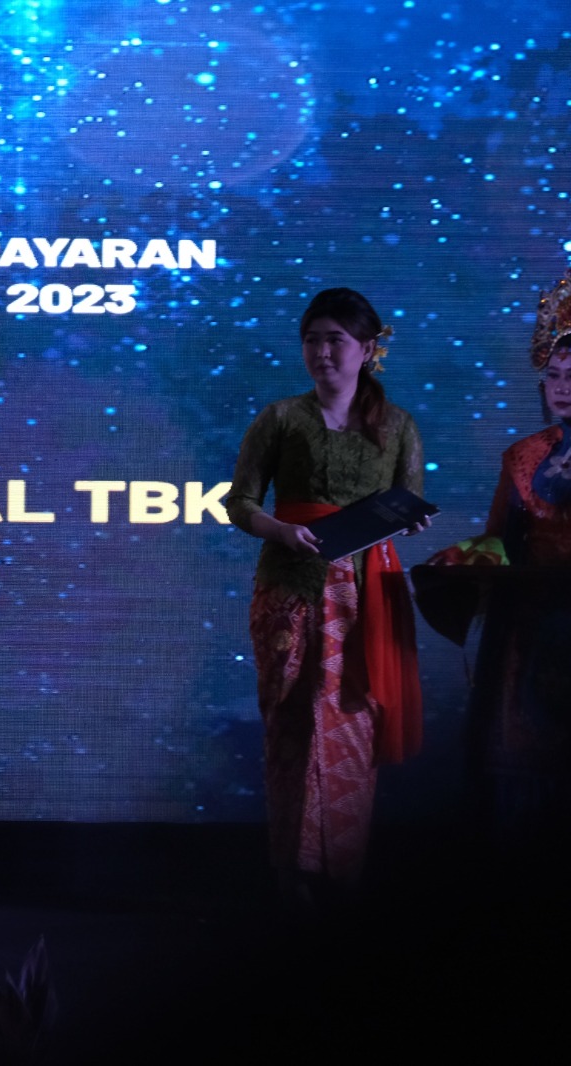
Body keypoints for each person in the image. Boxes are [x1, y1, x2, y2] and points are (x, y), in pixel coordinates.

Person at [225, 287, 428, 907]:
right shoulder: (281, 418)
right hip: (290, 589)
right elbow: (239, 502)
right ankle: (292, 875)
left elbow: (408, 501)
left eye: (335, 340)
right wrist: (281, 530)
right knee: (292, 720)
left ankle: (342, 874)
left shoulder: (397, 426)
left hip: (366, 594)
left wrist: (410, 521)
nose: (322, 352)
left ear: (367, 349)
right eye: (312, 340)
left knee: (351, 722)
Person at [426, 269, 571, 846]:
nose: (562, 387)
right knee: (526, 759)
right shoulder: (526, 455)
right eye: (554, 375)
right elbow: (502, 541)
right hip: (531, 626)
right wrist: (462, 557)